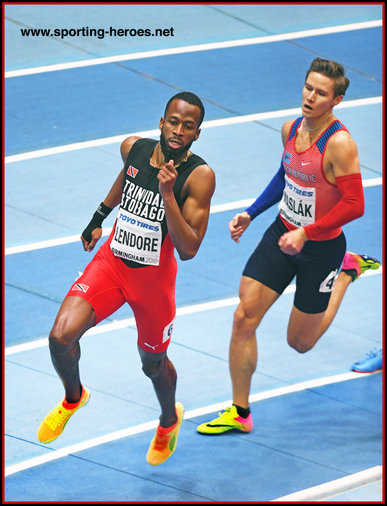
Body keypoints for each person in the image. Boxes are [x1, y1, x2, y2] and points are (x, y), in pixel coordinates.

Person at [197, 58, 380, 435]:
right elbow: (286, 175)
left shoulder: (340, 144)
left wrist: (307, 233)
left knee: (300, 342)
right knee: (242, 317)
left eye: (321, 93)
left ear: (337, 100)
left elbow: (355, 205)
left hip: (320, 249)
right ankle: (240, 411)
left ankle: (347, 271)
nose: (311, 97)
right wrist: (250, 212)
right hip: (282, 233)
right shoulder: (290, 128)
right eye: (308, 88)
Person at [37, 91, 215, 465]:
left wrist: (168, 195)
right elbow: (126, 179)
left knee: (152, 364)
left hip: (153, 282)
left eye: (188, 126)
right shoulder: (133, 148)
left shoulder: (199, 176)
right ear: (162, 121)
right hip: (112, 263)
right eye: (173, 121)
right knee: (59, 338)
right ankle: (74, 397)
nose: (178, 131)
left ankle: (169, 419)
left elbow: (189, 249)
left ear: (197, 134)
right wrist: (98, 216)